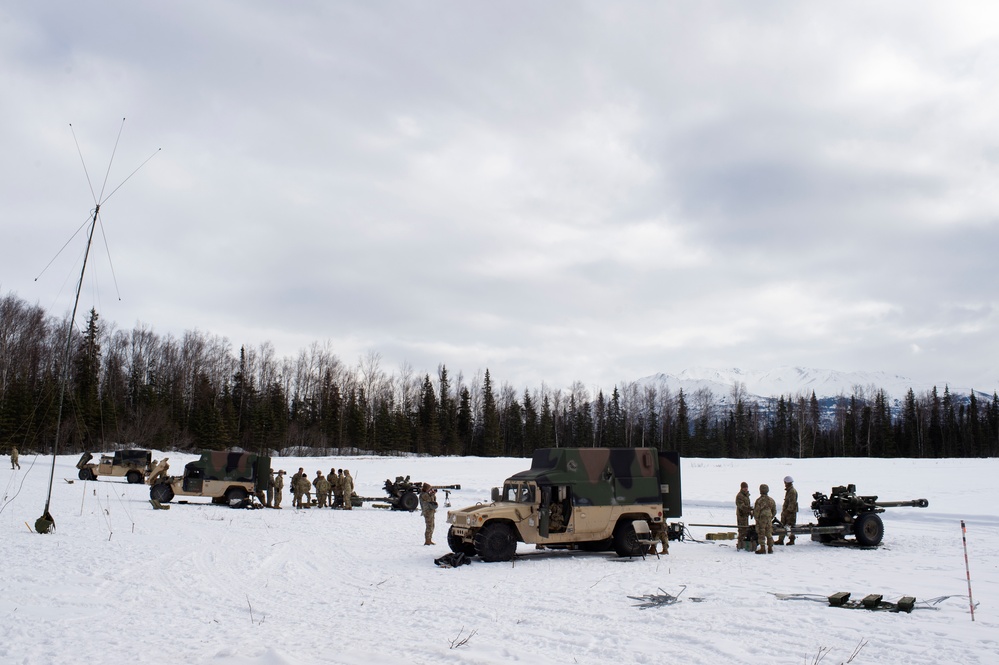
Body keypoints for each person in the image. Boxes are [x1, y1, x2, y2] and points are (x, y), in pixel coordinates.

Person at [753, 483, 777, 554]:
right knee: (769, 533)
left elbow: (756, 511)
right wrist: (770, 517)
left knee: (761, 533)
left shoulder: (759, 500)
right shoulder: (771, 500)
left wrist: (757, 519)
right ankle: (770, 548)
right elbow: (774, 511)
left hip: (761, 519)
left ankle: (763, 549)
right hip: (769, 519)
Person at [776, 476, 798, 545]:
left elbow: (792, 503)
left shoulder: (792, 491)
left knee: (789, 527)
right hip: (787, 512)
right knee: (783, 525)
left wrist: (787, 511)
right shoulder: (789, 491)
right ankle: (781, 540)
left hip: (790, 513)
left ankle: (791, 540)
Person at [735, 482, 752, 551]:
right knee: (742, 530)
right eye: (744, 487)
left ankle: (743, 544)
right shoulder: (739, 496)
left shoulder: (746, 495)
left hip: (746, 515)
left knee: (746, 530)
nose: (746, 489)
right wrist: (749, 509)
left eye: (746, 487)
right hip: (741, 515)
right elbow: (741, 506)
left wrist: (749, 511)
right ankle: (740, 544)